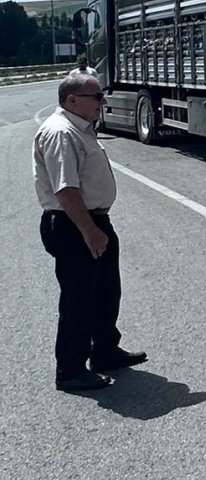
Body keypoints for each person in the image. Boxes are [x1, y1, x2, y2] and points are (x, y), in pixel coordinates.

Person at [33, 73, 146, 391]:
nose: (103, 102)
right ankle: (70, 370)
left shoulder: (78, 128)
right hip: (74, 224)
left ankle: (105, 351)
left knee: (106, 291)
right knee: (78, 299)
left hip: (92, 220)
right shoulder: (61, 133)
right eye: (96, 97)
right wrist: (89, 231)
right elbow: (66, 190)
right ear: (72, 100)